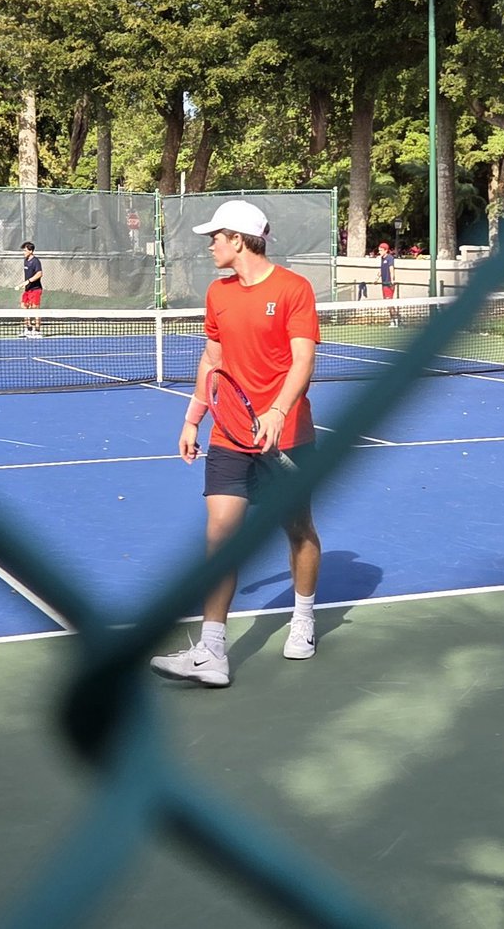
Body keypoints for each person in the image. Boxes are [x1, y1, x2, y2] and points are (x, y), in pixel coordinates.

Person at [150, 199, 322, 688]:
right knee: (220, 535)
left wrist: (276, 411)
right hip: (229, 433)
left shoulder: (294, 289)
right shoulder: (218, 294)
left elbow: (302, 361)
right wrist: (192, 419)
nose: (210, 245)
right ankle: (211, 651)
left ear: (239, 240)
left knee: (298, 529)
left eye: (216, 237)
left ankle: (304, 618)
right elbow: (212, 360)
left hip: (285, 436)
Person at [20, 241, 43, 337]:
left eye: (25, 250)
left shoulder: (36, 261)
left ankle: (37, 331)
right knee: (24, 306)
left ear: (31, 251)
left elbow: (39, 274)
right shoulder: (26, 260)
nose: (23, 252)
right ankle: (28, 329)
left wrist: (28, 281)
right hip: (27, 290)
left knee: (35, 309)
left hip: (36, 289)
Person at [377, 241, 401, 327]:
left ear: (385, 250)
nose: (379, 252)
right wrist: (377, 278)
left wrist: (392, 280)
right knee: (387, 303)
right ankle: (392, 320)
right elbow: (381, 269)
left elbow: (391, 269)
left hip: (389, 284)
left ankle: (396, 320)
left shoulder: (390, 258)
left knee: (389, 302)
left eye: (380, 250)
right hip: (383, 284)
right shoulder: (382, 259)